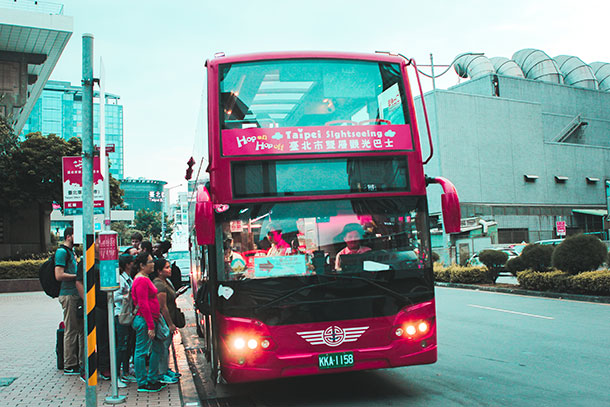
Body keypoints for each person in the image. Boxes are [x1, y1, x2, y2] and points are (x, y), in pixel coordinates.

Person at [75, 235, 111, 380]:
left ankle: (104, 367)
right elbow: (79, 282)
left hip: (105, 303)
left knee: (104, 337)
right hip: (93, 305)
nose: (100, 245)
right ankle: (87, 368)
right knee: (91, 337)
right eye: (98, 242)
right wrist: (88, 302)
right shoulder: (85, 262)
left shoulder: (106, 261)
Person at [131, 252, 166, 393]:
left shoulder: (145, 278)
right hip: (145, 320)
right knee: (141, 351)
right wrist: (150, 326)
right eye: (150, 262)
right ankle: (143, 382)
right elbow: (143, 304)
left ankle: (152, 377)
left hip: (151, 319)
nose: (153, 264)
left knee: (157, 348)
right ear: (142, 265)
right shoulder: (141, 280)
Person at [55, 227, 82, 375]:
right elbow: (59, 275)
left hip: (74, 293)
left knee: (77, 329)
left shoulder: (71, 252)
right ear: (68, 236)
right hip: (68, 294)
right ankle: (70, 364)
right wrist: (78, 276)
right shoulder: (61, 252)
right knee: (71, 329)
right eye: (75, 235)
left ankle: (76, 361)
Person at [152, 259, 181, 384]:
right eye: (166, 267)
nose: (170, 269)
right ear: (159, 271)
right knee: (163, 347)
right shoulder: (159, 285)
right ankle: (161, 373)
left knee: (166, 347)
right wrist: (170, 324)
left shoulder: (166, 281)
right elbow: (162, 307)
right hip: (164, 321)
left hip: (170, 317)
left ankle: (165, 369)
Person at [114, 254, 136, 384]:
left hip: (128, 315)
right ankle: (117, 375)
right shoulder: (120, 279)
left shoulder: (128, 278)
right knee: (121, 346)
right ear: (128, 264)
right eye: (132, 262)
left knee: (127, 345)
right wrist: (126, 296)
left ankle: (126, 373)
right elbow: (114, 296)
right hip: (120, 315)